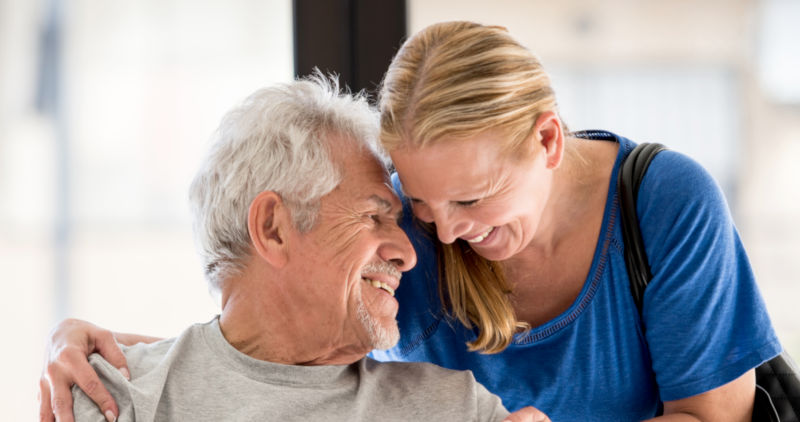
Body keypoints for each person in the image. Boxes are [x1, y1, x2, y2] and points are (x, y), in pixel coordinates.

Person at [40, 21, 782, 421]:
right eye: (413, 204)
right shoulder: (413, 234)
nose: (438, 236)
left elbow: (715, 418)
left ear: (549, 141)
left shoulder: (662, 204)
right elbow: (274, 319)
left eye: (471, 200)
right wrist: (93, 349)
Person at [40, 75, 547, 422]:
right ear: (273, 228)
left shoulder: (456, 408)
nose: (408, 253)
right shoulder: (113, 398)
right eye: (374, 216)